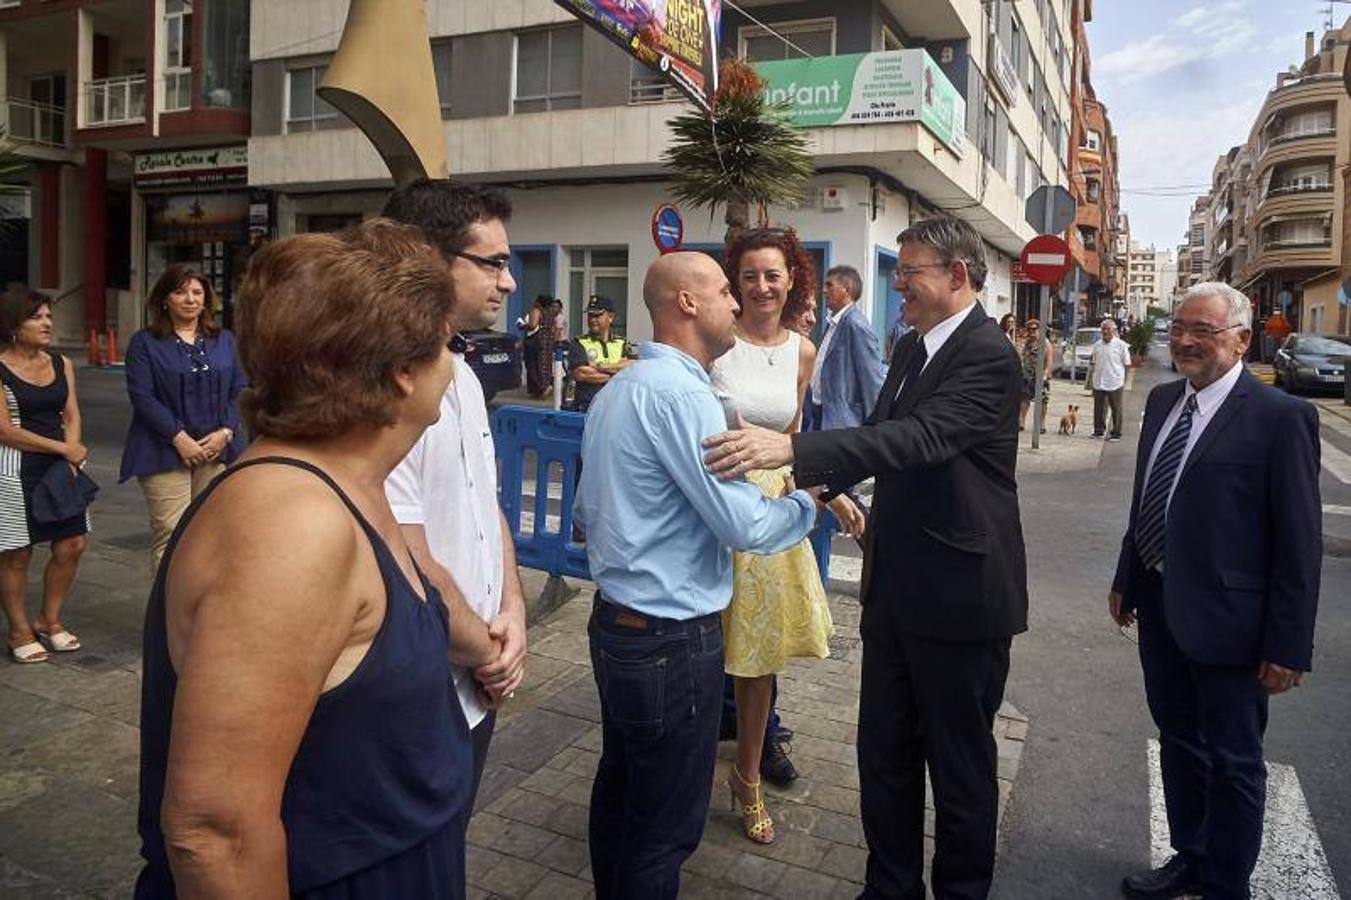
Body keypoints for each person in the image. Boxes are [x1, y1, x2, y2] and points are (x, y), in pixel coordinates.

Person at [135, 221, 500, 898]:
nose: (454, 363)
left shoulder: (353, 481)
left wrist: (488, 641)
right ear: (401, 374)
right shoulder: (290, 524)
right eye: (446, 345)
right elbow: (216, 833)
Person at [703, 215, 1028, 900]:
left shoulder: (989, 356)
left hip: (960, 597)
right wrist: (830, 489)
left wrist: (793, 450)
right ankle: (889, 888)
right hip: (895, 585)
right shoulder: (911, 346)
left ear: (956, 276)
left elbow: (920, 437)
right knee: (884, 756)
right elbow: (882, 433)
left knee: (960, 769)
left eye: (908, 271)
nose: (897, 283)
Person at [574, 251, 817, 899]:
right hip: (670, 643)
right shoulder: (685, 396)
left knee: (623, 791)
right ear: (685, 302)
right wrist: (807, 501)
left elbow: (583, 513)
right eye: (721, 290)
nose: (735, 303)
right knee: (664, 827)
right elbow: (747, 528)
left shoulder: (619, 388)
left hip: (617, 628)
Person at [1109, 282, 1321, 900]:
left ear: (1240, 339)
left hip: (1233, 624)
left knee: (1233, 762)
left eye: (1202, 330)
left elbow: (1299, 543)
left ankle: (1228, 884)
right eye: (1180, 327)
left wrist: (1289, 645)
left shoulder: (1281, 418)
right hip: (1160, 608)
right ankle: (1191, 856)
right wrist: (1128, 578)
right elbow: (1150, 496)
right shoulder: (1163, 401)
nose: (1184, 340)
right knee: (1178, 742)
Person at [711, 228, 864, 844]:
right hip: (716, 505)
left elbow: (796, 442)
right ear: (735, 282)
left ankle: (746, 778)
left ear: (791, 279)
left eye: (772, 274)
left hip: (772, 514)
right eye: (749, 275)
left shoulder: (804, 350)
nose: (762, 286)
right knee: (704, 651)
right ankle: (688, 769)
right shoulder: (715, 345)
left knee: (759, 661)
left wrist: (834, 493)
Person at [381, 179, 529, 806]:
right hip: (417, 691)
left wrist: (515, 614)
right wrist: (484, 651)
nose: (509, 281)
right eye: (493, 262)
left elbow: (483, 506)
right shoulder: (390, 385)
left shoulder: (462, 376)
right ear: (429, 260)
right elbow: (400, 546)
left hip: (475, 684)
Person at [119, 265, 247, 567]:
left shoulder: (224, 340)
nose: (190, 299)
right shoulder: (145, 342)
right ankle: (166, 612)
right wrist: (179, 438)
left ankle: (202, 611)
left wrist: (226, 431)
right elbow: (142, 396)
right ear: (165, 299)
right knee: (172, 536)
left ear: (206, 299)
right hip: (162, 450)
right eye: (180, 292)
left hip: (217, 450)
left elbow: (240, 388)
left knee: (212, 536)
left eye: (197, 292)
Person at [0, 290, 89, 664]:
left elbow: (70, 415)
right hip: (15, 466)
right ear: (13, 326)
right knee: (17, 553)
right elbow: (4, 430)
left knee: (73, 543)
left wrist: (71, 451)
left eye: (48, 316)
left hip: (59, 465)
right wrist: (62, 450)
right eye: (37, 317)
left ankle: (49, 620)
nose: (47, 323)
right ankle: (18, 629)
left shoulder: (61, 362)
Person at [809, 264, 886, 432]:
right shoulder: (834, 322)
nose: (823, 291)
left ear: (846, 289)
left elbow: (872, 380)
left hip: (841, 421)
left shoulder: (855, 325)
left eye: (829, 285)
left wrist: (875, 429)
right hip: (820, 414)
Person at [567, 296, 633, 413]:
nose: (592, 320)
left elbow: (630, 368)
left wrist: (601, 366)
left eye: (597, 315)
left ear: (610, 317)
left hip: (616, 409)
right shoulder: (579, 342)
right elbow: (581, 374)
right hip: (587, 408)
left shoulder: (621, 343)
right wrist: (617, 372)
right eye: (590, 315)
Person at [1087, 318, 1132, 442]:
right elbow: (1093, 363)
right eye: (1104, 329)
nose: (1105, 331)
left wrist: (1125, 381)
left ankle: (1116, 433)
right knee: (1099, 408)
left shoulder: (1121, 345)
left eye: (1108, 329)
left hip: (1115, 381)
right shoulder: (1097, 345)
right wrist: (1091, 381)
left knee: (1116, 409)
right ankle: (1098, 431)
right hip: (1099, 381)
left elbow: (1127, 364)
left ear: (1113, 330)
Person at [1018, 317, 1054, 432]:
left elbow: (1049, 360)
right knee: (1024, 398)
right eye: (1029, 329)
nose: (1031, 332)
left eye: (1034, 329)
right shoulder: (1026, 342)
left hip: (1041, 376)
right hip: (1027, 375)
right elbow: (1021, 357)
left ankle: (1041, 424)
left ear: (1039, 329)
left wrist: (1046, 373)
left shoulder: (1045, 343)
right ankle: (1021, 421)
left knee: (1042, 400)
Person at [519, 294, 556, 398]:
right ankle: (545, 386)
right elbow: (553, 327)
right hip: (548, 340)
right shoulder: (551, 312)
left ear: (539, 302)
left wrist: (522, 326)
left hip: (536, 340)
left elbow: (533, 325)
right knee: (545, 364)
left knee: (532, 365)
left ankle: (540, 388)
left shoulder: (537, 310)